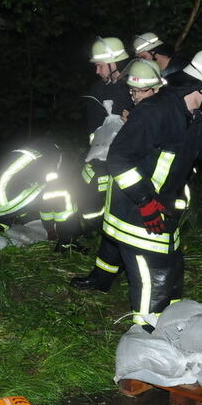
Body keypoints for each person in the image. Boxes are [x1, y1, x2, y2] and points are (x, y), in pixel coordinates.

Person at [104, 49, 202, 332]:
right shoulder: (155, 112)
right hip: (134, 212)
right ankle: (146, 340)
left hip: (165, 210)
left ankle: (169, 330)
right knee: (153, 281)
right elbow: (118, 160)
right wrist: (144, 202)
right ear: (201, 88)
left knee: (173, 274)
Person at [70, 59, 165, 292]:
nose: (133, 96)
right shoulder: (144, 107)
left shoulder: (163, 111)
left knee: (145, 242)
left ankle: (153, 288)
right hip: (132, 185)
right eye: (131, 91)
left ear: (155, 88)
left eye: (138, 91)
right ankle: (101, 278)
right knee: (114, 231)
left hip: (150, 189)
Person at [0, 141, 81, 255]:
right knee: (63, 192)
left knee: (4, 213)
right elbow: (52, 192)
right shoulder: (52, 155)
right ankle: (67, 243)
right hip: (3, 198)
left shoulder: (24, 153)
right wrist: (51, 229)